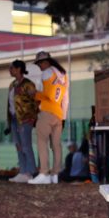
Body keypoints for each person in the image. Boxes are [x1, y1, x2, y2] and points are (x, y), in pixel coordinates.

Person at [29, 51, 69, 185]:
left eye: (39, 63)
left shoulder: (47, 73)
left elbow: (48, 95)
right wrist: (63, 117)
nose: (39, 66)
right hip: (58, 113)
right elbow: (65, 99)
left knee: (42, 142)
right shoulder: (63, 75)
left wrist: (35, 94)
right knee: (56, 145)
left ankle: (44, 173)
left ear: (46, 62)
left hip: (46, 111)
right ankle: (55, 174)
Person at [5, 59, 39, 183]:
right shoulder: (12, 84)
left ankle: (31, 172)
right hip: (14, 118)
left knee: (26, 146)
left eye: (12, 68)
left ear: (19, 69)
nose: (10, 70)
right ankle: (23, 171)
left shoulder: (28, 84)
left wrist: (32, 118)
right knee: (18, 146)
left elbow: (35, 102)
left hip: (25, 119)